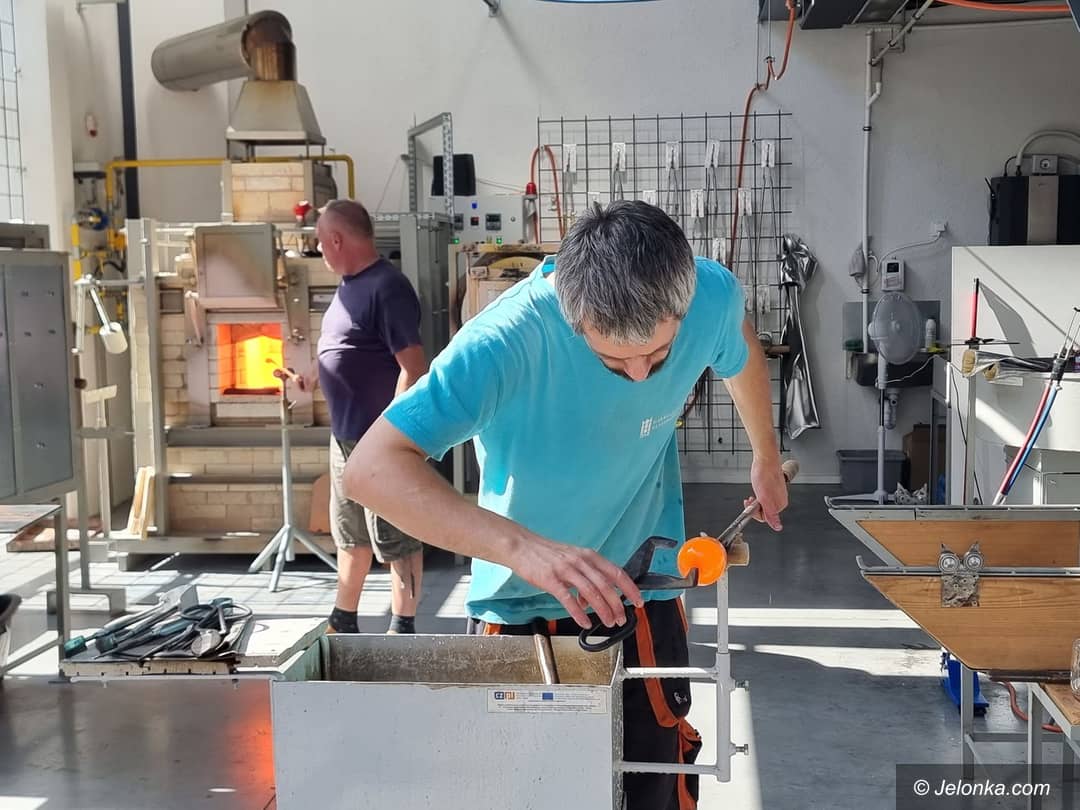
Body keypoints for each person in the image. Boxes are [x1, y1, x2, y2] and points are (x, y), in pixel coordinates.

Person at [344, 200, 789, 808]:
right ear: (573, 318)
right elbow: (370, 470)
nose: (641, 376)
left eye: (659, 355)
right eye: (614, 361)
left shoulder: (707, 295)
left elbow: (737, 339)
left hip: (643, 591)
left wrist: (765, 454)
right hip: (520, 606)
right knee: (523, 792)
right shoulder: (504, 342)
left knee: (655, 780)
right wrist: (524, 548)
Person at [306, 199, 428, 635]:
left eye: (321, 241)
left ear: (337, 239)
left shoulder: (387, 287)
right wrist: (308, 380)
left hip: (380, 441)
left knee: (396, 537)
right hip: (344, 437)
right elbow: (344, 352)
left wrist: (390, 435)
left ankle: (402, 629)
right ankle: (344, 622)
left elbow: (413, 367)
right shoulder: (346, 288)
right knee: (351, 535)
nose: (320, 250)